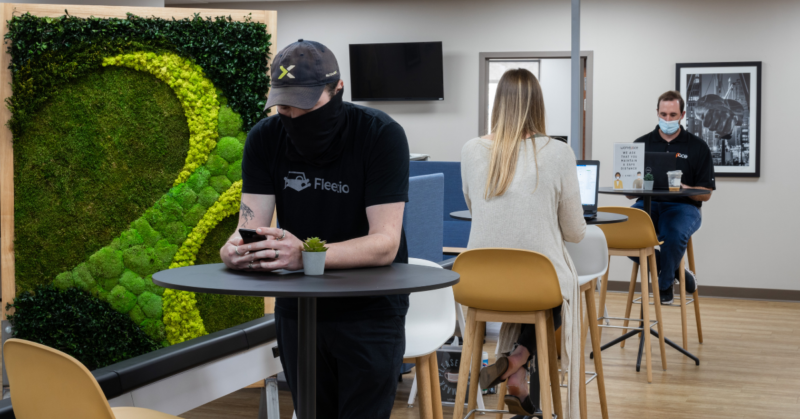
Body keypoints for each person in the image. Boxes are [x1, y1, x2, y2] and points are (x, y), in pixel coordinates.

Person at [219, 40, 410, 419]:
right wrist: (235, 249)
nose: (292, 115)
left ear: (337, 90)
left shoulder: (379, 135)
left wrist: (306, 254)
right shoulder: (265, 138)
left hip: (370, 309)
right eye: (283, 105)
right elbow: (250, 224)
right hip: (299, 310)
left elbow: (385, 244)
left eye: (305, 104)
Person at [461, 69, 585, 418]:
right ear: (538, 105)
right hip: (535, 286)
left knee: (535, 283)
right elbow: (575, 232)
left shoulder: (471, 150)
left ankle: (515, 370)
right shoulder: (559, 153)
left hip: (479, 286)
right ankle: (516, 360)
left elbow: (476, 209)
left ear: (497, 104)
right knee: (558, 290)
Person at [630, 90, 714, 304]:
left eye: (673, 115)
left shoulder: (698, 147)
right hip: (646, 204)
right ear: (657, 113)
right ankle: (676, 270)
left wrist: (684, 187)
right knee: (622, 230)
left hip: (683, 207)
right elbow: (630, 191)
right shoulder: (640, 144)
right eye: (663, 114)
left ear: (682, 115)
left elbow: (706, 195)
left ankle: (665, 286)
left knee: (673, 232)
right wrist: (630, 184)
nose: (667, 119)